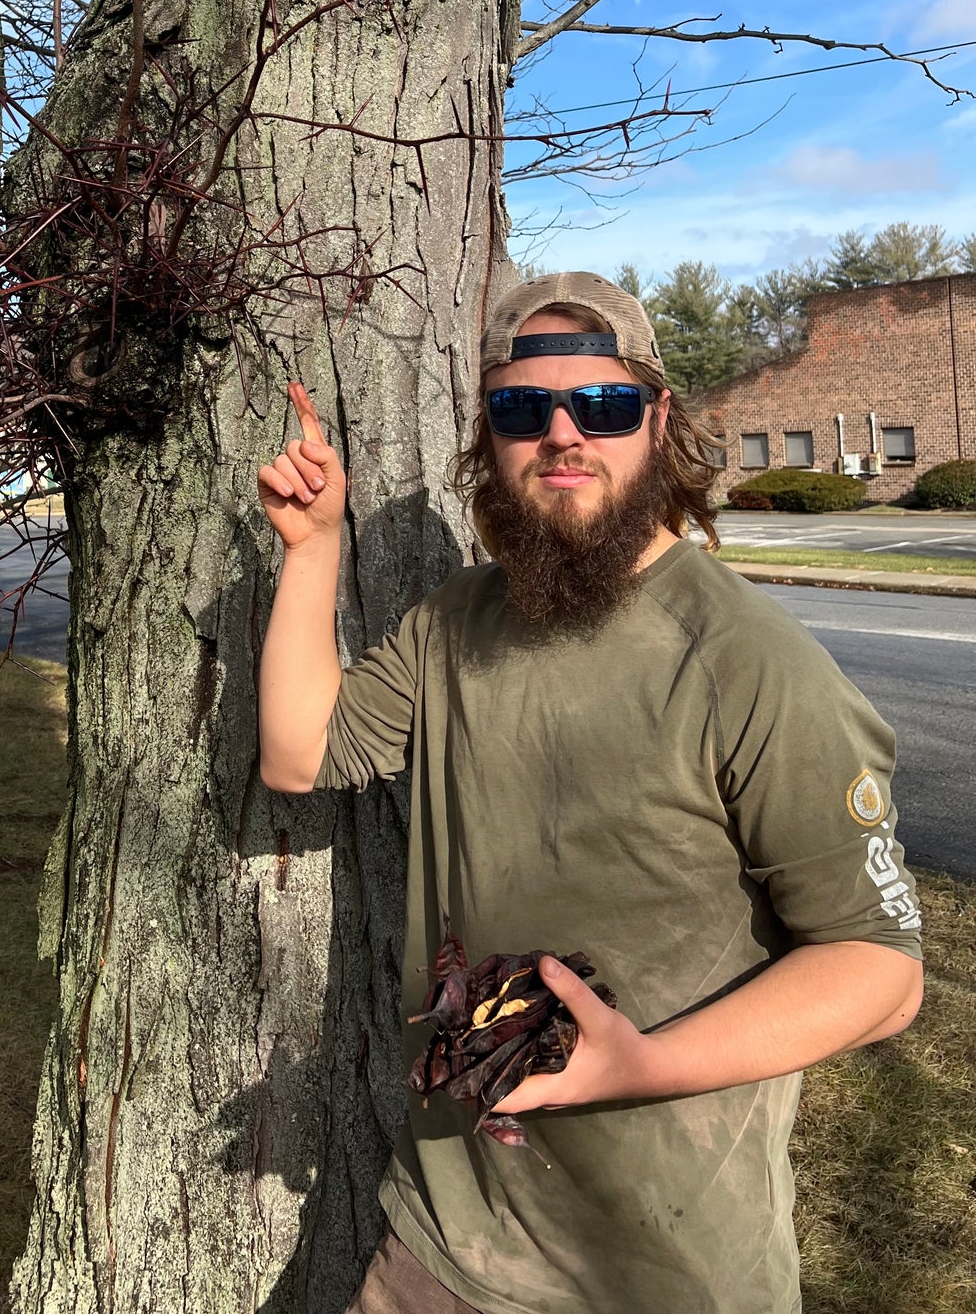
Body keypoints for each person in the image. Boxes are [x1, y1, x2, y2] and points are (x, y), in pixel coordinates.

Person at [257, 270, 923, 1314]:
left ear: (656, 420)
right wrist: (313, 549)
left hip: (666, 1268)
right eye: (522, 408)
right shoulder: (451, 624)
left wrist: (637, 1063)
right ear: (490, 433)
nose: (561, 432)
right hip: (447, 1247)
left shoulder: (746, 659)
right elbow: (301, 755)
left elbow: (879, 972)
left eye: (601, 405)